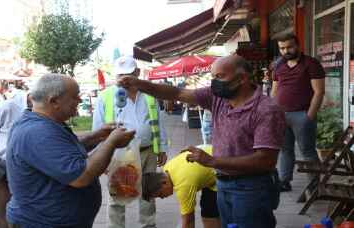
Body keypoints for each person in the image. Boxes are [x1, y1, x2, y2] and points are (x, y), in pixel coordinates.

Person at [118, 55, 286, 228]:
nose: (214, 83)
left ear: (242, 78)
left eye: (219, 77)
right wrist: (139, 84)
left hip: (251, 188)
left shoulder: (266, 110)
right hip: (223, 183)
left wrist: (212, 161)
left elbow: (266, 160)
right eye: (212, 77)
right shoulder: (218, 97)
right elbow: (177, 93)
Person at [6, 74, 136, 228]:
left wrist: (97, 137)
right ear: (54, 101)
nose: (80, 101)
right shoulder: (38, 132)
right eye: (75, 97)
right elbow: (81, 176)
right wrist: (111, 142)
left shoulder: (44, 123)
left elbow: (61, 150)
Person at [93, 55, 169, 228]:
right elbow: (97, 129)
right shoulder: (105, 96)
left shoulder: (149, 95)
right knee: (118, 195)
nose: (124, 80)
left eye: (128, 75)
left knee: (149, 192)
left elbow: (158, 122)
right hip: (119, 154)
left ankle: (148, 225)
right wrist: (102, 159)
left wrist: (162, 148)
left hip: (148, 152)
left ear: (137, 72)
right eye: (120, 76)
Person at [271, 33, 325, 192]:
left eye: (289, 47)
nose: (286, 51)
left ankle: (314, 186)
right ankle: (284, 181)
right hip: (281, 115)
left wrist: (309, 116)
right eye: (282, 48)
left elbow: (319, 92)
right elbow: (274, 91)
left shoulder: (311, 64)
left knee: (307, 151)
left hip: (302, 114)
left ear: (298, 45)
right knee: (285, 150)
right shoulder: (278, 66)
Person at [0, 92, 31, 228]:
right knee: (3, 213)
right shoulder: (8, 107)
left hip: (28, 168)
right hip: (4, 167)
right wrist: (0, 150)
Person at [142, 144, 220, 228]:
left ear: (163, 182)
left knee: (211, 214)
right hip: (214, 154)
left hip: (221, 168)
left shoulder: (183, 186)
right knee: (208, 211)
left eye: (160, 194)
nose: (163, 198)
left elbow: (189, 220)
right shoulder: (167, 168)